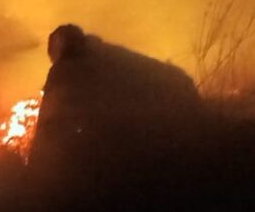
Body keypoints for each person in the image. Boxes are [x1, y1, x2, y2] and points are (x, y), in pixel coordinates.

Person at [29, 24, 202, 174]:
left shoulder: (67, 66)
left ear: (58, 50)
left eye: (53, 58)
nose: (54, 63)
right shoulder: (108, 54)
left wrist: (33, 168)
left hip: (165, 121)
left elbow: (49, 122)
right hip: (179, 111)